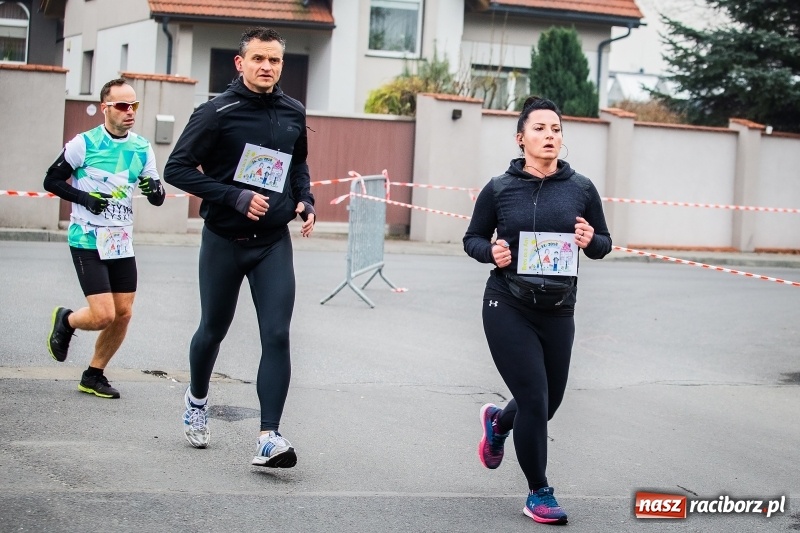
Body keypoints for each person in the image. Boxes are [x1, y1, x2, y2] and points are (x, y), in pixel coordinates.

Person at [163, 27, 316, 468]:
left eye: (274, 60)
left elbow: (298, 163)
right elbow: (176, 169)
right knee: (213, 329)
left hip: (272, 243)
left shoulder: (293, 110)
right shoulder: (216, 112)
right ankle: (196, 399)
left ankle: (269, 436)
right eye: (258, 59)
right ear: (240, 62)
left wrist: (305, 200)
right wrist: (234, 196)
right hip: (224, 240)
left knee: (278, 334)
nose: (266, 66)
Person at [463, 96, 612, 525]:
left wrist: (591, 240)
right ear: (521, 138)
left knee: (548, 403)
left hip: (559, 309)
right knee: (533, 398)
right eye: (540, 129)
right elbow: (472, 238)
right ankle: (539, 492)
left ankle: (498, 422)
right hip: (507, 303)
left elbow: (603, 243)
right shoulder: (500, 188)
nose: (550, 136)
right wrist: (491, 252)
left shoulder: (581, 188)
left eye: (556, 129)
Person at [43, 78, 166, 399]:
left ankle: (93, 374)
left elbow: (156, 194)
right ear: (105, 108)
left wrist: (155, 191)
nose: (130, 111)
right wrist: (84, 199)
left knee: (123, 313)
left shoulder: (141, 147)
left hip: (120, 241)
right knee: (103, 315)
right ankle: (67, 320)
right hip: (87, 238)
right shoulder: (84, 144)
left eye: (134, 105)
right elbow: (51, 180)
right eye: (122, 106)